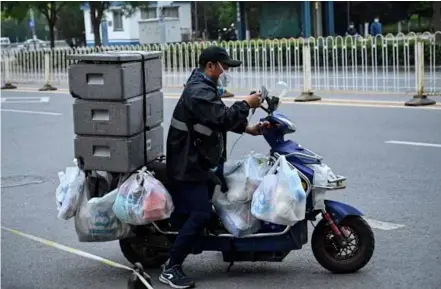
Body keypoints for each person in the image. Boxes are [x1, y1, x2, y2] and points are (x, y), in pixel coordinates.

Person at [161, 46, 266, 289]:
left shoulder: (205, 86)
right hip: (187, 164)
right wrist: (246, 104)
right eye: (224, 66)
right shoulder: (198, 90)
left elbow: (213, 120)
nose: (226, 71)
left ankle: (208, 240)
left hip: (196, 160)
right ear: (210, 66)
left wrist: (247, 128)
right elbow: (221, 117)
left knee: (221, 189)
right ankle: (171, 267)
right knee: (202, 213)